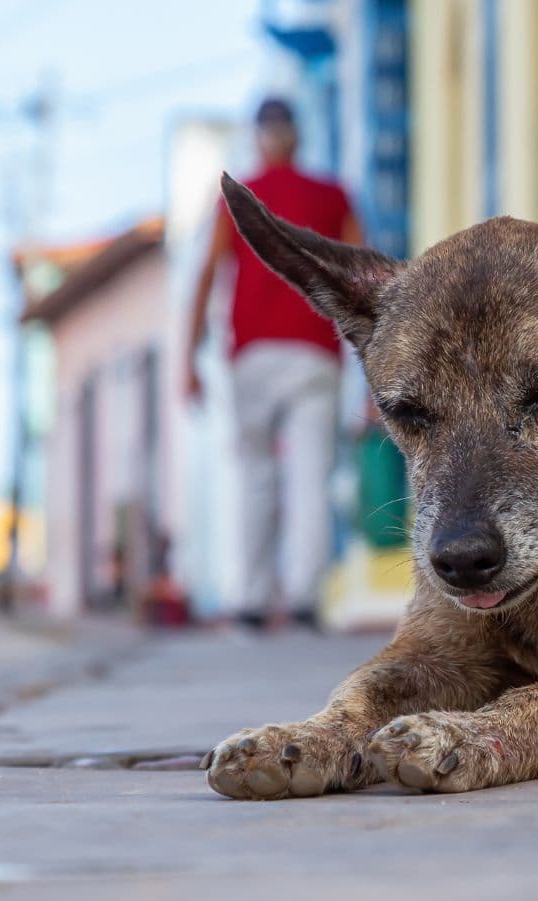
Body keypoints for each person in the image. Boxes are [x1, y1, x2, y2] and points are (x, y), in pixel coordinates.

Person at [186, 97, 361, 632]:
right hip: (313, 352)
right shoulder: (333, 197)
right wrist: (375, 369)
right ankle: (306, 599)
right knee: (310, 473)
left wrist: (187, 359)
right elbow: (363, 281)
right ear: (298, 137)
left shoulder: (238, 199)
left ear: (259, 139)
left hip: (254, 356)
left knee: (255, 474)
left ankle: (252, 600)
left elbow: (207, 274)